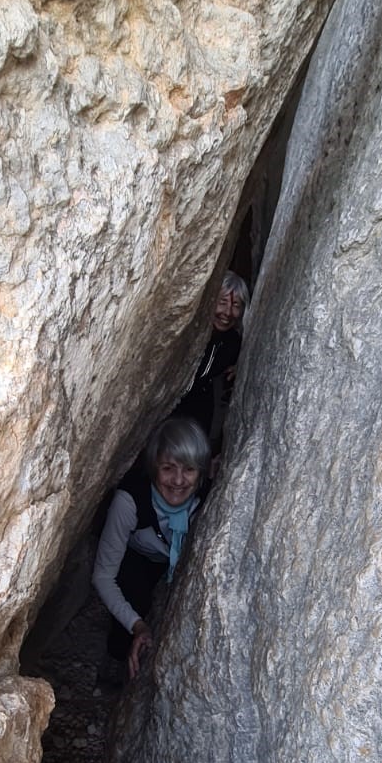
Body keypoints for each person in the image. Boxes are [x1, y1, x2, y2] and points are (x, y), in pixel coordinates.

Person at [93, 416, 211, 679]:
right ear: (154, 466)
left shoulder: (208, 499)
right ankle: (116, 656)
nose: (178, 480)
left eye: (189, 469)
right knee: (134, 592)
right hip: (139, 555)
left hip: (177, 558)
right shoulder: (130, 501)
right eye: (168, 468)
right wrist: (137, 626)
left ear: (201, 472)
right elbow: (103, 576)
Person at [175, 270, 249, 448]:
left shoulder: (232, 343)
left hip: (200, 425)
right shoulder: (190, 334)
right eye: (222, 302)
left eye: (236, 305)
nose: (228, 312)